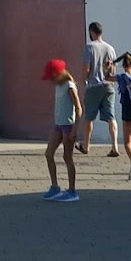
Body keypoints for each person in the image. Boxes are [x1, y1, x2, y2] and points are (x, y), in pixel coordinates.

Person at [41, 58, 82, 203]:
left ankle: (72, 191)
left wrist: (75, 130)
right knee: (48, 153)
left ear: (58, 74)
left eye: (51, 77)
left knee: (67, 157)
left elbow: (79, 108)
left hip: (68, 126)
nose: (50, 80)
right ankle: (55, 187)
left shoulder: (69, 86)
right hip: (58, 124)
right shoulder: (58, 85)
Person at [77, 21, 120, 157]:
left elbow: (86, 67)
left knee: (89, 117)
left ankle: (86, 146)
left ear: (91, 32)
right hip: (108, 86)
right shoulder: (110, 48)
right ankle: (115, 146)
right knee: (111, 117)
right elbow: (113, 69)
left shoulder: (89, 47)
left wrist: (83, 79)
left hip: (93, 86)